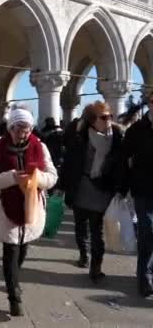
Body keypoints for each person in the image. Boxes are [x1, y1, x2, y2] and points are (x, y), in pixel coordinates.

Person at [0, 107, 57, 317]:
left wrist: (37, 179)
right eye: (18, 129)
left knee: (23, 249)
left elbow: (52, 177)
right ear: (11, 128)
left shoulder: (39, 147)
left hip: (31, 205)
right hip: (7, 206)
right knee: (11, 250)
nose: (22, 134)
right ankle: (14, 297)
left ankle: (13, 279)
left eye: (26, 130)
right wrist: (12, 177)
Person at [60, 102, 123, 281]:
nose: (108, 120)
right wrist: (61, 186)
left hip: (103, 189)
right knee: (81, 226)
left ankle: (96, 266)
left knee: (97, 230)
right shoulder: (80, 136)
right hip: (81, 188)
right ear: (92, 120)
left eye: (109, 116)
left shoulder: (116, 136)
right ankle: (83, 254)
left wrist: (120, 187)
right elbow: (69, 160)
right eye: (103, 117)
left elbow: (121, 164)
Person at [120, 94, 153, 298]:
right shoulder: (137, 130)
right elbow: (124, 158)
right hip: (144, 190)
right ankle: (145, 277)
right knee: (147, 231)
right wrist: (122, 187)